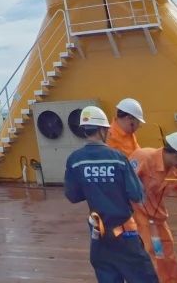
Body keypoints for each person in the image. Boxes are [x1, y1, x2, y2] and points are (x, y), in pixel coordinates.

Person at [65, 105, 160, 283]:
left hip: (98, 238)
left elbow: (73, 196)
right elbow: (136, 194)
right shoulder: (117, 158)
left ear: (84, 130)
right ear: (102, 130)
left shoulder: (75, 160)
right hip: (125, 236)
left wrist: (94, 187)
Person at [130, 132, 177, 283]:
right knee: (149, 254)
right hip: (137, 216)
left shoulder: (175, 172)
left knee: (168, 256)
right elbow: (123, 186)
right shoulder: (143, 157)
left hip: (157, 219)